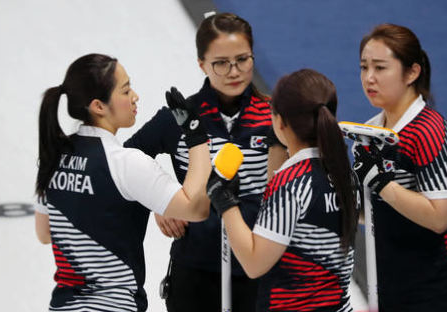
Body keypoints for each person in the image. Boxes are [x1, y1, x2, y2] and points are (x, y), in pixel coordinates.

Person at [34, 53, 212, 312]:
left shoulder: (52, 157)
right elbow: (196, 209)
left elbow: (44, 233)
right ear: (98, 106)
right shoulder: (127, 163)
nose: (135, 97)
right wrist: (196, 137)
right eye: (126, 90)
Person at [124, 13, 272, 312]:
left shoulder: (276, 118)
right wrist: (160, 201)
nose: (234, 71)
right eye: (220, 62)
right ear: (202, 64)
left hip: (260, 268)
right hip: (194, 270)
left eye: (243, 59)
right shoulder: (180, 117)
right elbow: (126, 161)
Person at [207, 68, 359, 311]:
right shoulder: (344, 173)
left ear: (279, 122)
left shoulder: (291, 183)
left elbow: (255, 263)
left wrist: (224, 201)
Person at [354, 24, 447, 311]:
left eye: (380, 68)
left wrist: (382, 184)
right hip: (392, 287)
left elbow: (439, 218)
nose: (369, 78)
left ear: (411, 72)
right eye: (364, 67)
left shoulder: (430, 133)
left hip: (439, 291)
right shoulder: (372, 130)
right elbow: (373, 213)